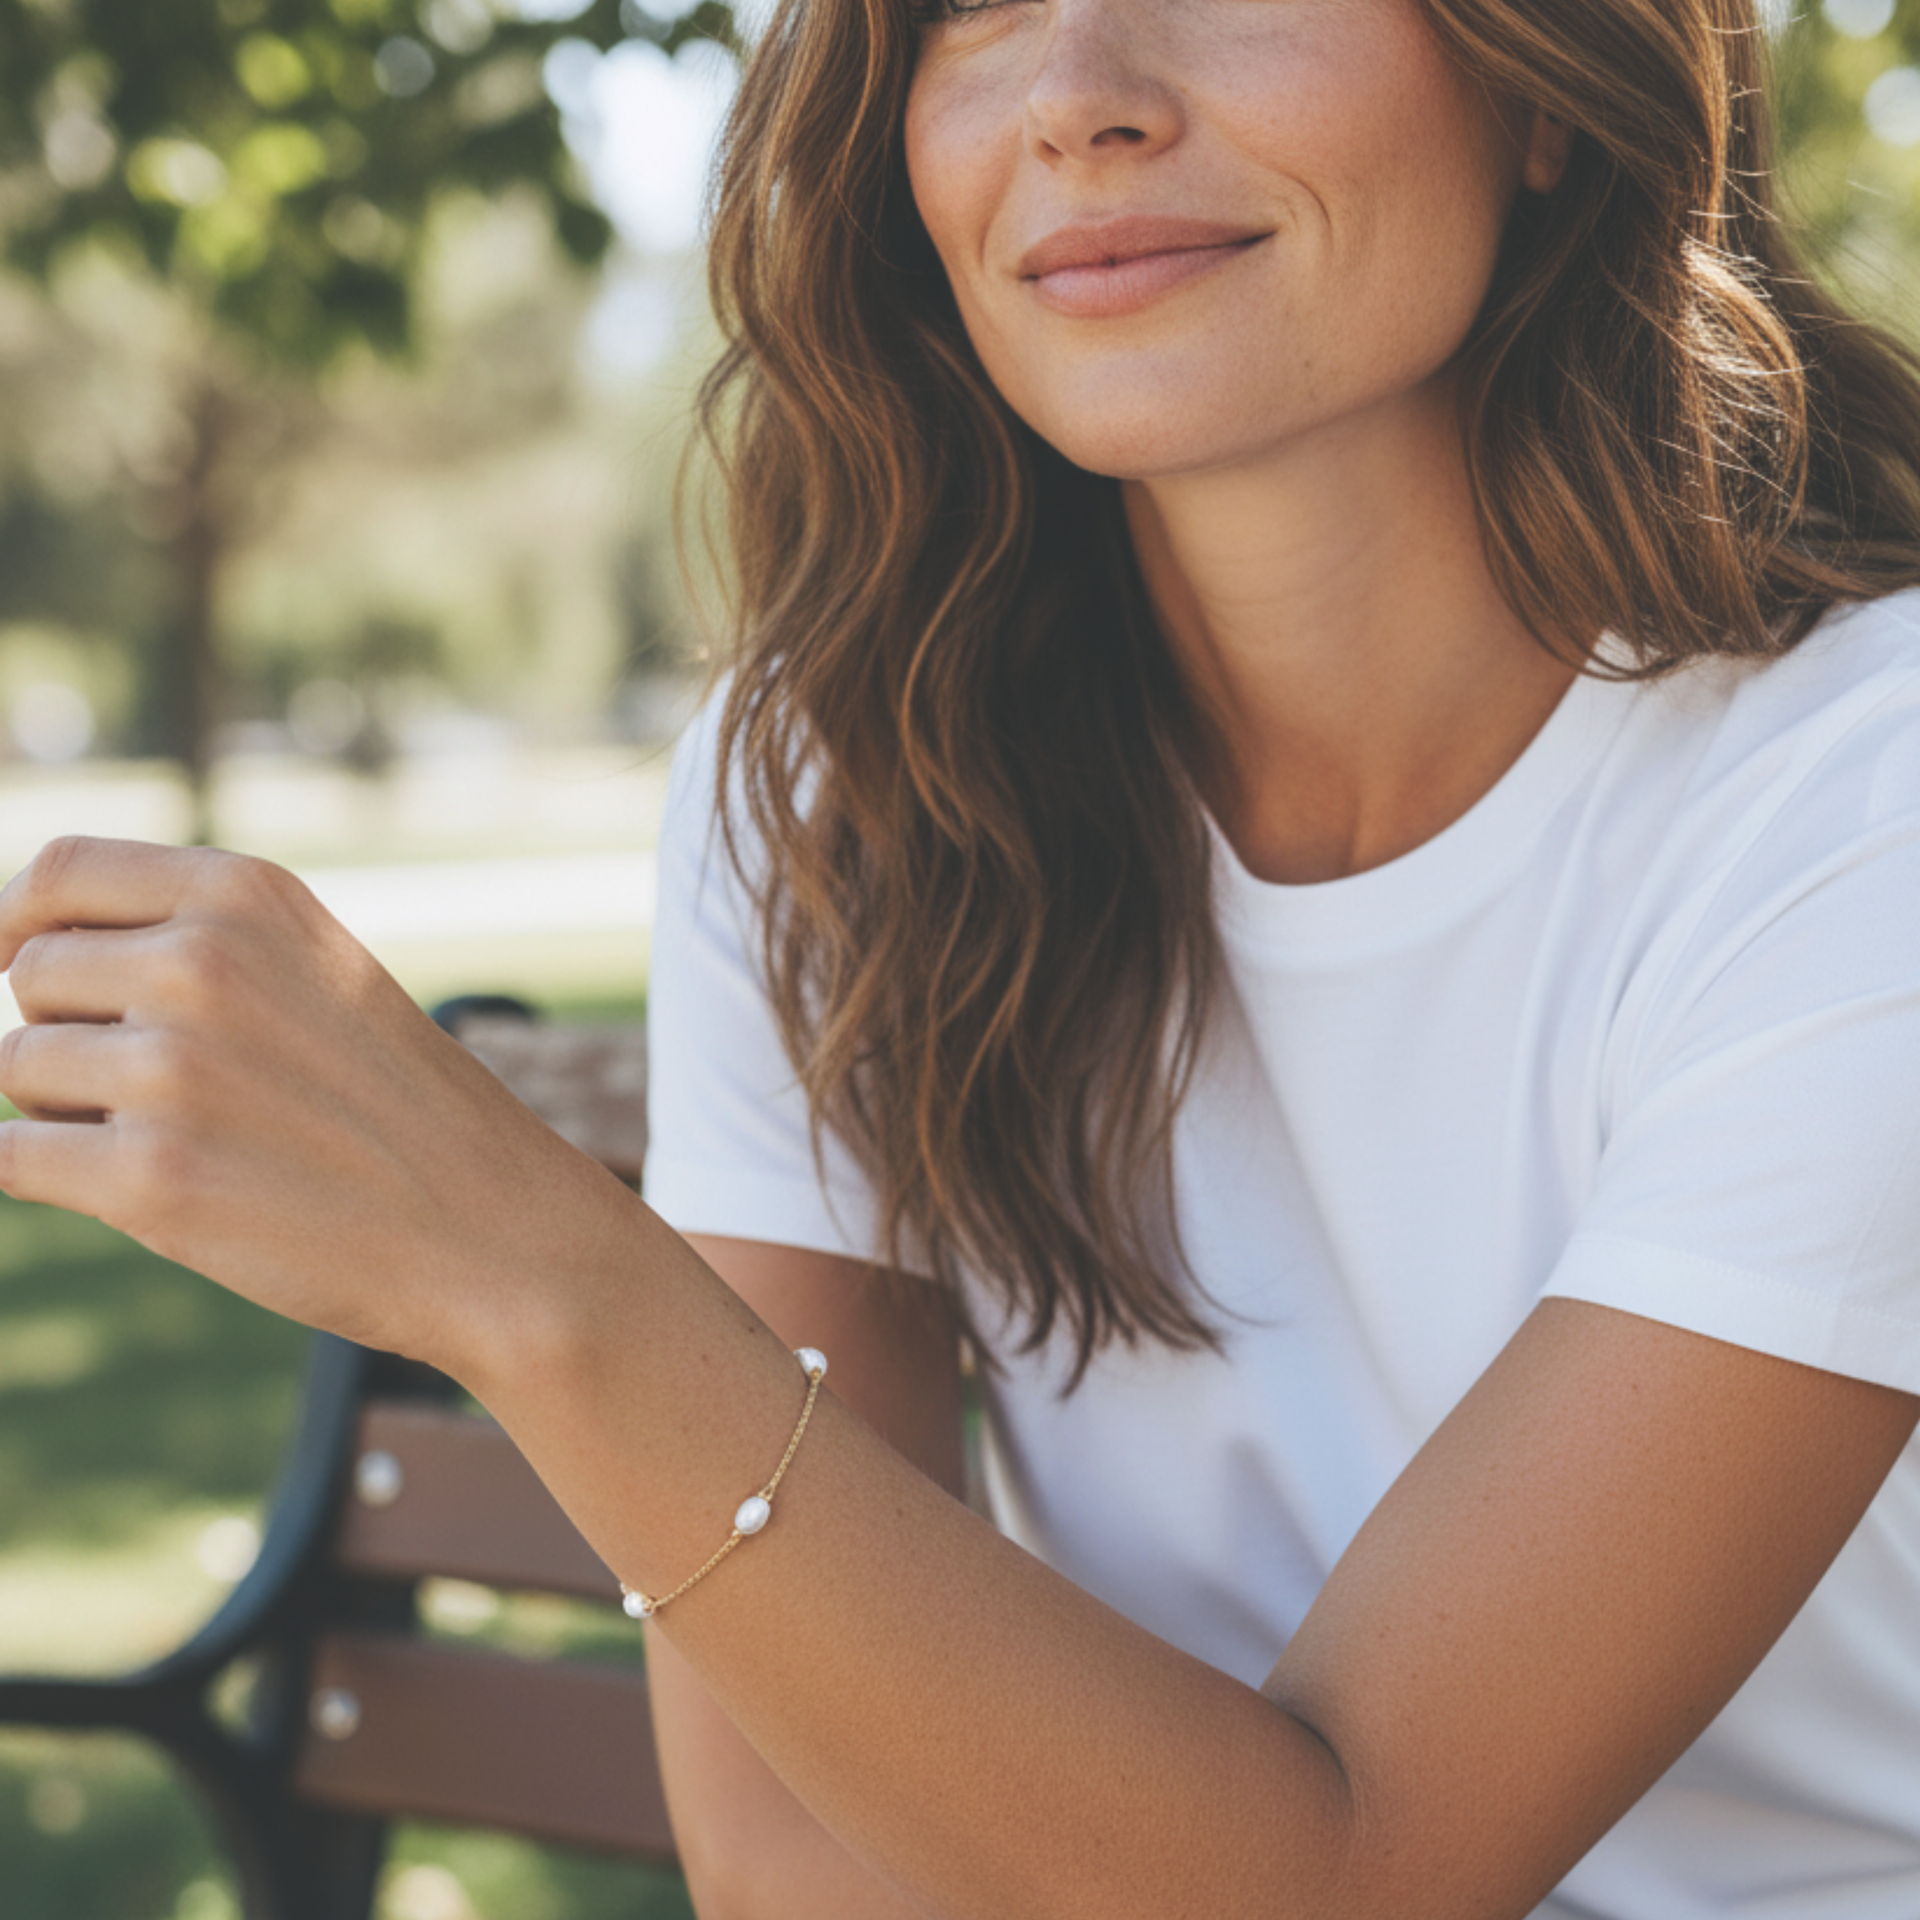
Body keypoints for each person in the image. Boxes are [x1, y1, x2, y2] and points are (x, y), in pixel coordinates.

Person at [6, 0, 1920, 1911]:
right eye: (973, 5)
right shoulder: (842, 784)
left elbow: (1355, 1879)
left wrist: (520, 1270)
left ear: (1546, 85)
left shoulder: (1864, 798)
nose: (1079, 101)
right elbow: (791, 1863)